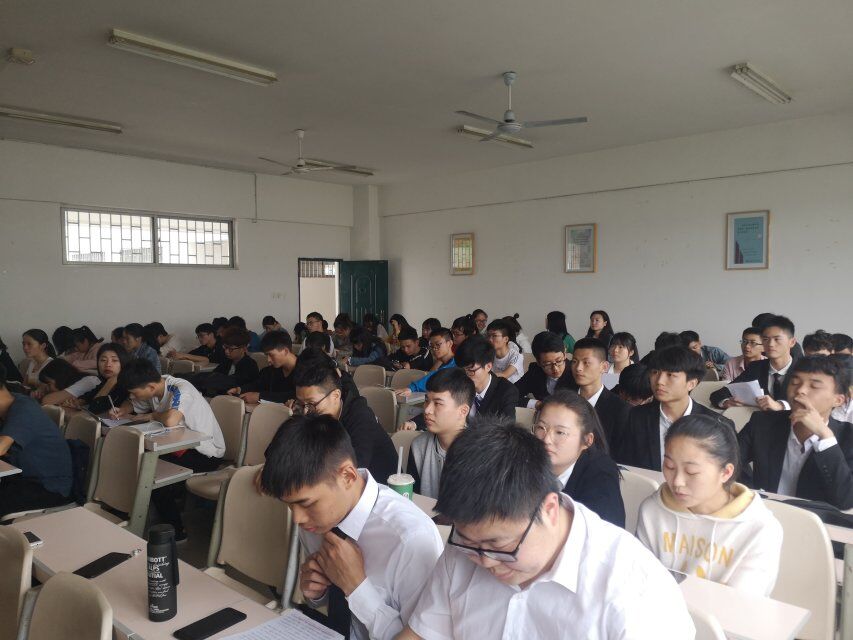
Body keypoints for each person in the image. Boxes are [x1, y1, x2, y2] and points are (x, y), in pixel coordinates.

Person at [399, 418, 695, 640]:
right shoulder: (469, 546)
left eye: (500, 547)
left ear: (549, 509)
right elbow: (422, 632)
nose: (485, 561)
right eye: (469, 544)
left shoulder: (636, 592)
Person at [259, 414, 443, 640]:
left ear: (347, 476)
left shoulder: (411, 539)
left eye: (306, 503)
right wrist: (317, 592)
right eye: (289, 505)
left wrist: (357, 587)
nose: (297, 518)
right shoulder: (316, 522)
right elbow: (330, 604)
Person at [637, 414, 782, 596]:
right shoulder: (653, 511)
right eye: (669, 466)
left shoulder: (759, 528)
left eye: (691, 472)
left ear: (726, 472)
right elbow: (639, 581)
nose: (677, 482)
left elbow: (740, 604)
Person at [116, 359, 225, 538]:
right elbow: (133, 404)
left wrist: (152, 415)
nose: (132, 396)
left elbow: (170, 420)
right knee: (135, 461)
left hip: (205, 452)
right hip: (178, 446)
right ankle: (129, 516)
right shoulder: (153, 388)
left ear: (151, 387)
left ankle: (176, 530)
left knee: (151, 474)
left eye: (134, 393)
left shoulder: (181, 389)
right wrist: (123, 410)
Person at [737, 355, 853, 508]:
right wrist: (748, 492)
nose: (800, 390)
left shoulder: (848, 437)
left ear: (838, 400)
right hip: (763, 513)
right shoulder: (763, 423)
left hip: (816, 520)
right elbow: (726, 462)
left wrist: (826, 437)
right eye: (795, 382)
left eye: (814, 386)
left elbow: (846, 500)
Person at [616, 346, 735, 471]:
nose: (660, 381)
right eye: (655, 372)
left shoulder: (717, 426)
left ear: (691, 383)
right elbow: (623, 466)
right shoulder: (635, 416)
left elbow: (731, 475)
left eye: (670, 375)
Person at [293, 354, 397, 482]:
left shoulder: (361, 417)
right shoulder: (311, 413)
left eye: (311, 404)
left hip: (378, 486)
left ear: (336, 395)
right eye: (301, 404)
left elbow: (355, 470)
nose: (305, 411)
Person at [534, 390, 625, 527]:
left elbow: (600, 534)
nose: (546, 439)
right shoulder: (525, 460)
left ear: (587, 440)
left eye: (560, 432)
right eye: (541, 427)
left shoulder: (601, 474)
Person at [0, 363, 73, 518]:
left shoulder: (23, 409)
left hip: (48, 487)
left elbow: (1, 448)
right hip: (21, 479)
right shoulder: (10, 404)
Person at [408, 369, 474, 498]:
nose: (427, 410)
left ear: (463, 411)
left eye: (438, 403)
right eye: (426, 401)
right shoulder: (418, 446)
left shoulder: (481, 453)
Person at [710, 315, 797, 411]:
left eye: (777, 339)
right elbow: (718, 395)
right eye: (765, 339)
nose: (771, 344)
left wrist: (781, 406)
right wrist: (725, 402)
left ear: (792, 342)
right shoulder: (756, 367)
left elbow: (809, 404)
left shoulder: (804, 369)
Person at [568, 338, 631, 452]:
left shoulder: (620, 409)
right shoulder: (564, 402)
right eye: (574, 362)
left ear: (604, 367)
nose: (578, 368)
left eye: (586, 362)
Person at [456, 336, 519, 420]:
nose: (465, 376)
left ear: (488, 366)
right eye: (462, 370)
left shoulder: (506, 392)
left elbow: (507, 427)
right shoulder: (457, 386)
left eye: (470, 370)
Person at [228, 330, 297, 404]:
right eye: (267, 355)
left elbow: (296, 395)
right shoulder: (272, 370)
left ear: (285, 351)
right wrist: (239, 389)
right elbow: (259, 384)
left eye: (271, 355)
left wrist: (260, 396)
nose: (268, 360)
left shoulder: (304, 369)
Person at [514, 331, 575, 408]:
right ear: (538, 362)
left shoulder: (575, 372)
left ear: (565, 353)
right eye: (548, 364)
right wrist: (536, 404)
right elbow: (509, 395)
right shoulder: (535, 372)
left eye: (559, 361)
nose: (555, 368)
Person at [193, 327, 259, 397]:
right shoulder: (228, 361)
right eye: (225, 347)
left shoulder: (250, 365)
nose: (226, 351)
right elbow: (215, 374)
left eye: (230, 349)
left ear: (244, 348)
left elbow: (230, 382)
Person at [399, 328, 456, 396]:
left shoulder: (455, 364)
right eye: (431, 346)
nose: (434, 348)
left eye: (438, 344)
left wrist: (411, 388)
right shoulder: (443, 363)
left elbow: (433, 379)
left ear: (449, 343)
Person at [82, 342, 131, 415]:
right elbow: (89, 396)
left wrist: (111, 382)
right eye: (103, 360)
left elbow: (94, 409)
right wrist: (79, 401)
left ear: (123, 363)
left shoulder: (127, 386)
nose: (108, 365)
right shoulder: (105, 381)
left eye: (114, 360)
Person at [486, 319, 524, 383]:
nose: (490, 339)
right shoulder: (488, 355)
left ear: (506, 339)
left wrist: (483, 376)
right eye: (488, 336)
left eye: (494, 336)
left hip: (514, 388)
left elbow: (504, 375)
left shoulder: (517, 356)